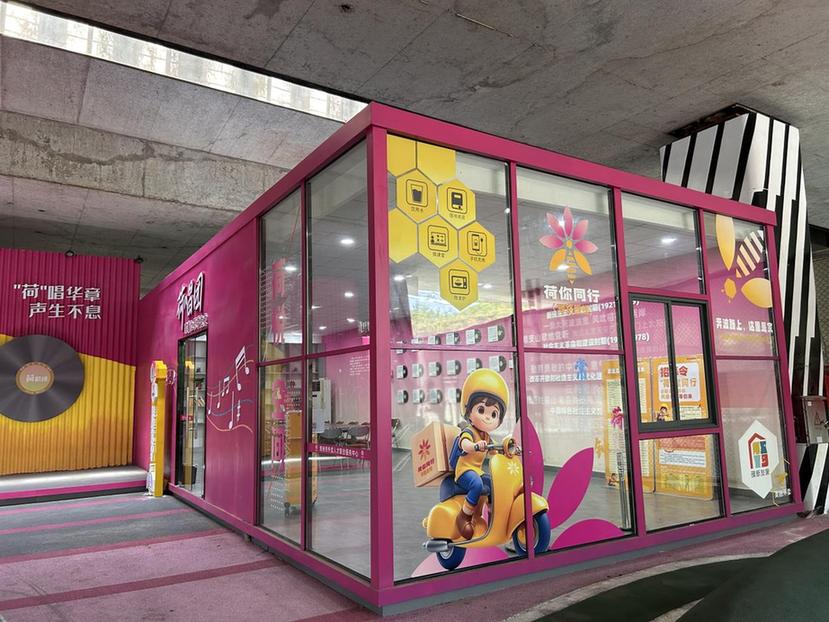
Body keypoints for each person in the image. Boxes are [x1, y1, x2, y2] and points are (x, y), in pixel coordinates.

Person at [452, 368, 509, 540]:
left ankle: (492, 515)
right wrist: (475, 446)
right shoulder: (469, 431)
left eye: (494, 414)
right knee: (477, 485)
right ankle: (464, 517)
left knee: (494, 484)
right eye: (481, 410)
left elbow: (493, 451)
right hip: (464, 471)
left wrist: (505, 450)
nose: (487, 417)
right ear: (469, 411)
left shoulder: (486, 436)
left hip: (477, 470)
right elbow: (465, 444)